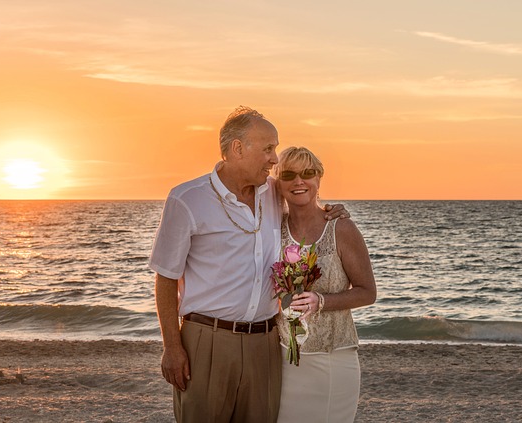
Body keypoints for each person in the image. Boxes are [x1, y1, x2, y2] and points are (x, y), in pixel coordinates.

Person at [148, 107, 349, 423]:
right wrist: (172, 348)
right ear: (237, 149)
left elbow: (303, 199)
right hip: (207, 342)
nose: (274, 158)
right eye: (268, 148)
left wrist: (331, 211)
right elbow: (165, 278)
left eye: (275, 147)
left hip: (265, 344)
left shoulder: (272, 193)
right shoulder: (187, 198)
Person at [273, 146, 377, 423]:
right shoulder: (272, 230)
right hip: (284, 360)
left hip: (333, 357)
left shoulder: (340, 228)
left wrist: (322, 302)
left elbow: (368, 292)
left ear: (319, 178)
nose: (299, 181)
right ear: (277, 182)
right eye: (289, 174)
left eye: (308, 173)